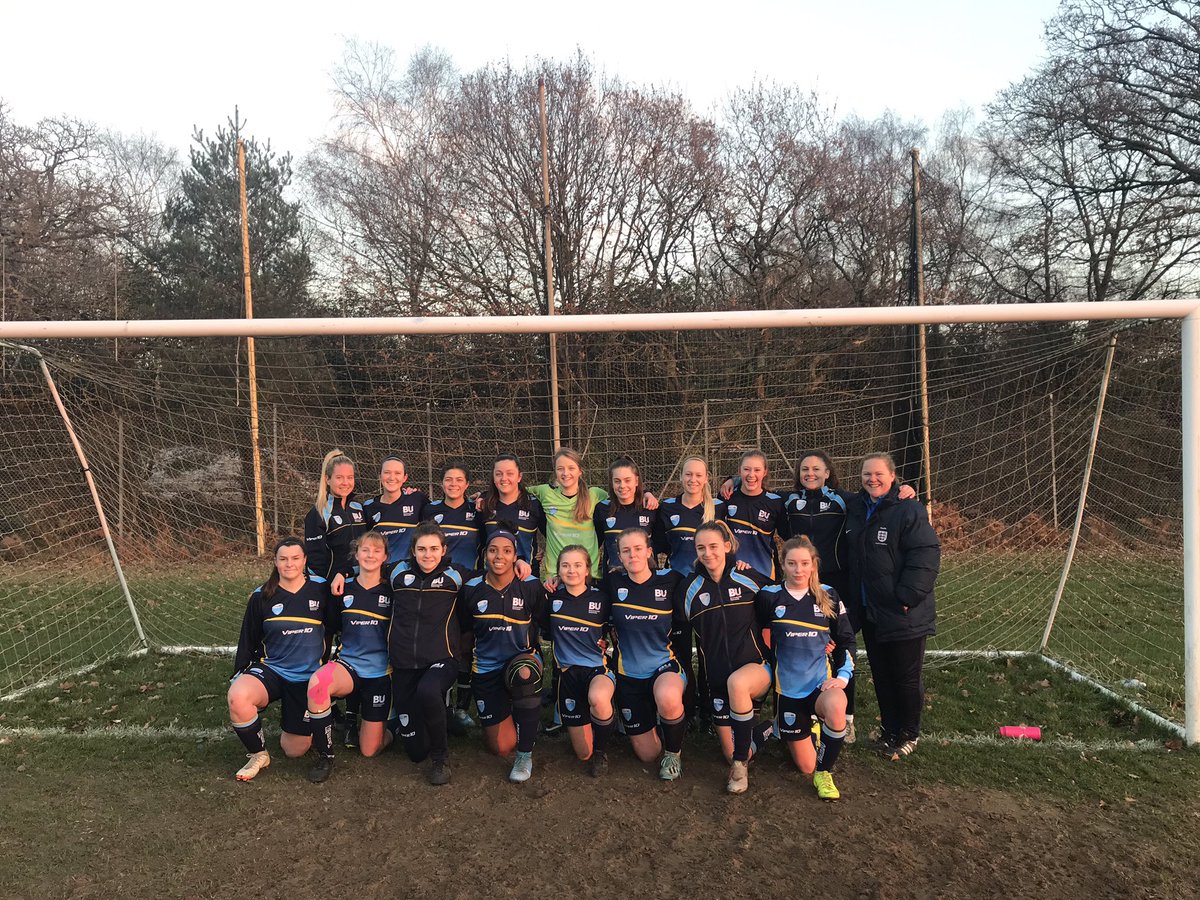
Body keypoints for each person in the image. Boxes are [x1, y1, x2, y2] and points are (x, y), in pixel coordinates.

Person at [846, 452, 940, 759]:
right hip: (870, 610)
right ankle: (889, 730)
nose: (872, 479)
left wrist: (907, 598)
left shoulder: (908, 508)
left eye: (878, 474)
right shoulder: (856, 507)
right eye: (866, 474)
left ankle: (909, 733)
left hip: (903, 611)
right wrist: (735, 480)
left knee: (906, 676)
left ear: (892, 476)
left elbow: (925, 554)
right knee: (882, 674)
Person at [227, 537, 334, 781]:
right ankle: (258, 754)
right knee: (237, 696)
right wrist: (241, 672)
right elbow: (249, 638)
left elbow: (336, 627)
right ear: (275, 562)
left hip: (307, 678)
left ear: (304, 560)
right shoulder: (261, 596)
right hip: (272, 670)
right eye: (283, 559)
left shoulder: (321, 589)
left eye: (295, 558)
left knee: (294, 750)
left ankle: (304, 714)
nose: (289, 564)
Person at [678, 520, 773, 794]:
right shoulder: (688, 590)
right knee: (729, 753)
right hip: (717, 682)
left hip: (756, 669)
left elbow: (784, 606)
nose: (708, 553)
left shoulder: (750, 578)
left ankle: (741, 768)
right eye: (701, 548)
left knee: (738, 684)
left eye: (714, 546)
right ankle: (770, 728)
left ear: (727, 546)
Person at [757, 537, 855, 801]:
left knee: (837, 704)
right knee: (804, 766)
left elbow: (846, 639)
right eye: (791, 564)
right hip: (788, 690)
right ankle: (780, 725)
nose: (798, 570)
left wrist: (843, 677)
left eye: (804, 564)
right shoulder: (769, 596)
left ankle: (825, 773)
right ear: (783, 565)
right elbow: (756, 635)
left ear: (813, 565)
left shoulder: (828, 595)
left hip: (819, 686)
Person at [458, 528, 548, 782]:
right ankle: (522, 720)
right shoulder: (472, 589)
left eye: (507, 551)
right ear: (485, 553)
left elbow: (547, 622)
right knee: (499, 748)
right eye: (493, 550)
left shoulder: (530, 586)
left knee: (525, 673)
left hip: (520, 660)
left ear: (515, 556)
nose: (499, 556)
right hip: (486, 669)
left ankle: (524, 754)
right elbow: (465, 633)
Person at [304, 530, 394, 783]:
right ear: (356, 554)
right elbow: (330, 626)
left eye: (377, 550)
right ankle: (325, 755)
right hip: (349, 666)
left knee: (369, 750)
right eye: (365, 550)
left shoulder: (392, 590)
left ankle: (394, 727)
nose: (370, 555)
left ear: (385, 556)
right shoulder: (342, 588)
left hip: (381, 673)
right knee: (318, 684)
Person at [388, 522, 469, 785]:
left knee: (428, 691)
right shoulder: (396, 573)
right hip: (403, 662)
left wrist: (521, 566)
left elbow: (493, 576)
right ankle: (441, 717)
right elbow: (363, 571)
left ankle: (441, 759)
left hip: (441, 658)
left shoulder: (456, 575)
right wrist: (343, 574)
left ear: (444, 549)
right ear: (412, 550)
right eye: (421, 549)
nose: (428, 555)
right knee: (414, 752)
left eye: (434, 548)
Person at [606, 527, 688, 780]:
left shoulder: (671, 580)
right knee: (647, 754)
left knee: (667, 696)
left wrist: (737, 564)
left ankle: (674, 755)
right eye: (626, 551)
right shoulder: (611, 583)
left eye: (638, 549)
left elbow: (707, 577)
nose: (633, 555)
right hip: (628, 674)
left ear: (649, 551)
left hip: (663, 667)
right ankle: (656, 722)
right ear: (619, 557)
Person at [654, 455, 724, 725]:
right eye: (688, 474)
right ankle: (687, 707)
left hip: (710, 588)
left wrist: (735, 479)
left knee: (709, 650)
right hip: (679, 590)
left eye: (698, 475)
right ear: (681, 477)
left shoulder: (718, 507)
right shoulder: (667, 507)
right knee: (681, 650)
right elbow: (658, 544)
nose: (693, 480)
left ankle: (710, 709)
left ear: (707, 478)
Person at [540, 545, 615, 776]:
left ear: (587, 570)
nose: (571, 570)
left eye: (577, 565)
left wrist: (608, 645)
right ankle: (594, 731)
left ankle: (603, 752)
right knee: (583, 753)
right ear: (558, 570)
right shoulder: (550, 599)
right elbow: (544, 632)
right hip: (567, 675)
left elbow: (616, 634)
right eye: (565, 565)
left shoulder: (602, 599)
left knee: (598, 698)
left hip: (596, 670)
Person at [528, 447, 610, 580]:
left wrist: (646, 493)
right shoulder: (545, 492)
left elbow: (623, 497)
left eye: (571, 468)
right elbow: (513, 491)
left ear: (580, 472)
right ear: (555, 472)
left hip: (589, 575)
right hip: (556, 576)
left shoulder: (594, 494)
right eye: (560, 468)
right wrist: (484, 496)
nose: (565, 473)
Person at [303, 449, 368, 580]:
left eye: (350, 477)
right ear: (327, 479)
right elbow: (316, 562)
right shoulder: (319, 513)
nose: (345, 482)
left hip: (360, 582)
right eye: (339, 478)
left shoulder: (360, 508)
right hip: (334, 585)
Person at [719, 450, 785, 579]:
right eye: (747, 469)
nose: (751, 475)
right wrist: (732, 480)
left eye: (757, 470)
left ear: (765, 472)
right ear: (740, 471)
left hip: (764, 573)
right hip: (731, 573)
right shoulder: (726, 498)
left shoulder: (775, 502)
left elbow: (787, 535)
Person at [593, 456, 656, 572]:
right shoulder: (602, 509)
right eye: (617, 481)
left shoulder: (650, 508)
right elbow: (593, 544)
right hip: (613, 579)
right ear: (611, 483)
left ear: (636, 481)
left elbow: (661, 544)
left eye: (627, 480)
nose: (622, 486)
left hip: (645, 581)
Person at [363, 456, 429, 564]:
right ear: (380, 476)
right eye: (387, 472)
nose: (392, 477)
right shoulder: (368, 507)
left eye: (397, 473)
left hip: (410, 572)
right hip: (380, 571)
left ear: (405, 477)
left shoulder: (417, 499)